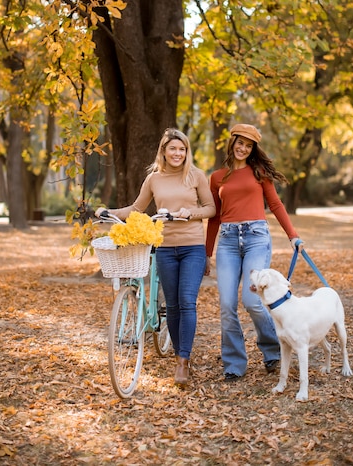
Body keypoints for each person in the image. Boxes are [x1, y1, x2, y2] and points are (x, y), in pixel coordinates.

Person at [95, 128, 216, 387]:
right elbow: (136, 209)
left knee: (187, 301)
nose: (177, 153)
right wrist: (107, 211)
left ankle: (183, 361)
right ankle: (177, 354)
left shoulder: (196, 176)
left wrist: (188, 213)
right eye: (173, 148)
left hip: (192, 247)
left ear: (187, 152)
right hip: (164, 248)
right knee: (171, 304)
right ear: (164, 151)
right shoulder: (154, 179)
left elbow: (211, 208)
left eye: (182, 149)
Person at [205, 123, 304, 381]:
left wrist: (293, 236)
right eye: (240, 143)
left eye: (249, 146)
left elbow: (275, 204)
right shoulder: (217, 177)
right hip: (227, 241)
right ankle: (234, 364)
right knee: (227, 305)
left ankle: (273, 351)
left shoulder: (259, 172)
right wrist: (207, 253)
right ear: (232, 142)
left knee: (252, 302)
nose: (243, 148)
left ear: (253, 149)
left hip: (256, 238)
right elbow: (214, 217)